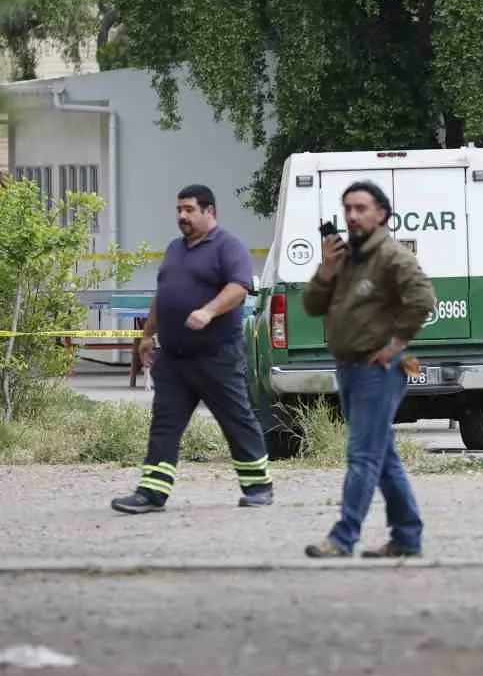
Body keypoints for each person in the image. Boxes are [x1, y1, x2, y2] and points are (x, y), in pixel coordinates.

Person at [112, 185, 272, 514]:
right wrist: (147, 335)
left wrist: (209, 311)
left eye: (189, 209)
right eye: (179, 210)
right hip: (173, 360)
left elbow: (239, 288)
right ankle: (151, 493)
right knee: (164, 424)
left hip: (217, 357)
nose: (181, 216)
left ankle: (258, 488)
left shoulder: (228, 246)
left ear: (209, 211)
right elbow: (164, 293)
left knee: (237, 420)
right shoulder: (175, 249)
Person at [302, 181, 436, 559]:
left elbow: (423, 300)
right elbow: (311, 306)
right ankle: (407, 537)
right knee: (383, 457)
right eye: (348, 208)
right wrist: (326, 269)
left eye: (361, 208)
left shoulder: (392, 256)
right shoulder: (345, 259)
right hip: (349, 370)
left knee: (362, 456)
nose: (352, 216)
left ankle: (343, 538)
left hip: (379, 371)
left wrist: (395, 346)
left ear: (381, 214)